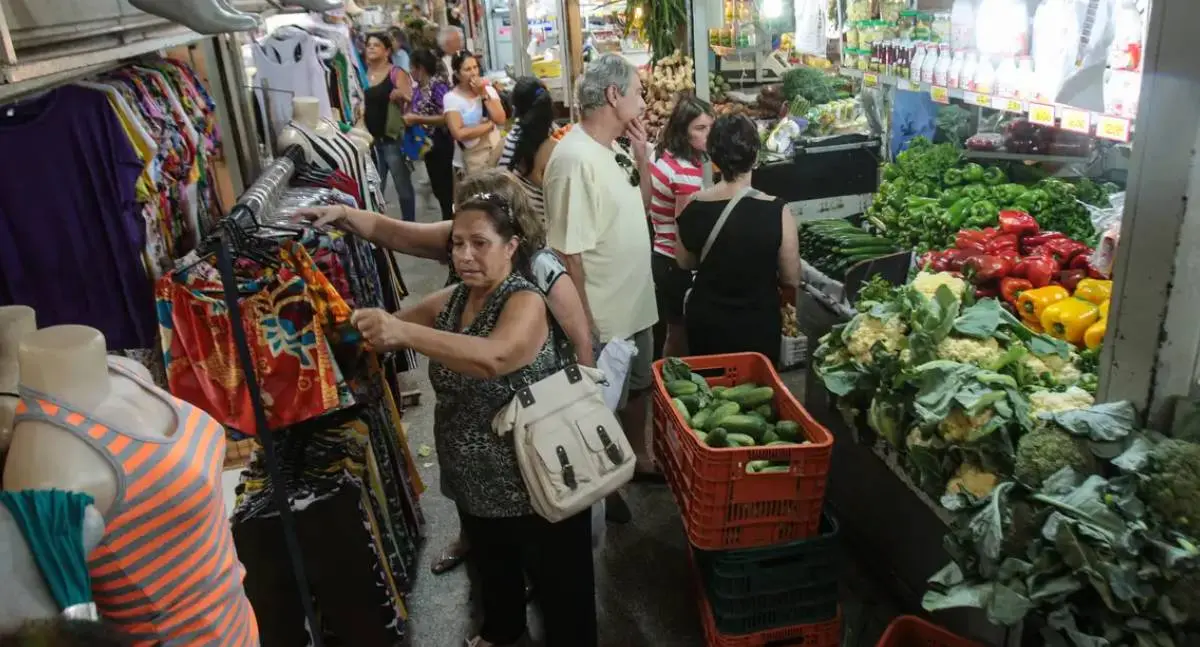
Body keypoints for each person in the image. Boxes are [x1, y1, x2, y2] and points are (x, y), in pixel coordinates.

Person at [293, 170, 597, 574]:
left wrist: (587, 412)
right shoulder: (457, 291)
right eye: (457, 240)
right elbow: (395, 233)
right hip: (477, 472)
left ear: (511, 242)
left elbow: (504, 356)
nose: (464, 251)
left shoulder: (535, 285)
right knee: (496, 559)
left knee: (555, 567)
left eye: (478, 241)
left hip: (536, 450)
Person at [543, 53, 659, 484]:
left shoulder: (615, 150)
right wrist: (584, 330)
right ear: (614, 95)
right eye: (637, 91)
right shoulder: (574, 160)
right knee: (600, 405)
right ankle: (606, 485)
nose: (644, 101)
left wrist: (643, 157)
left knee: (639, 390)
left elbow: (640, 206)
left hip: (636, 306)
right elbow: (566, 255)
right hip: (605, 319)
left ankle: (639, 460)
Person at [675, 114, 802, 364]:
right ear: (755, 157)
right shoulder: (778, 211)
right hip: (758, 325)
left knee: (711, 395)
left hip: (707, 324)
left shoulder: (693, 206)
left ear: (713, 157)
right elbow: (791, 278)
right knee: (758, 394)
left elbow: (685, 262)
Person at [649, 95, 714, 359]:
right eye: (700, 128)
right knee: (678, 334)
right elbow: (686, 231)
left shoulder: (664, 155)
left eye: (711, 127)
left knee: (671, 329)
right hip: (674, 262)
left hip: (660, 253)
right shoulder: (685, 174)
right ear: (683, 132)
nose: (708, 134)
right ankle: (669, 387)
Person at [362, 32, 416, 222]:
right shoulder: (361, 74)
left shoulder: (396, 73)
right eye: (369, 45)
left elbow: (412, 99)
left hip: (393, 139)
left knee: (403, 188)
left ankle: (410, 227)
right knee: (374, 188)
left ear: (386, 51)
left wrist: (400, 94)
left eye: (376, 45)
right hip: (369, 142)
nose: (371, 48)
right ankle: (377, 227)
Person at [495, 76, 556, 224]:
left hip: (506, 226)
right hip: (539, 230)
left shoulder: (504, 143)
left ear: (515, 108)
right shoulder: (552, 148)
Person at [407, 48, 455, 220]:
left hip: (442, 142)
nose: (410, 72)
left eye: (412, 68)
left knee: (445, 187)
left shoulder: (438, 87)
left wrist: (417, 119)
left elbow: (446, 117)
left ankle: (449, 220)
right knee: (437, 186)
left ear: (420, 68)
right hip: (428, 146)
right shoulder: (418, 89)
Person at [444, 52, 506, 178]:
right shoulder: (451, 98)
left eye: (475, 67)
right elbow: (459, 133)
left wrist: (483, 94)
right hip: (475, 156)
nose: (473, 73)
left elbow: (500, 119)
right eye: (467, 69)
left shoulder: (488, 90)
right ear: (457, 74)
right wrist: (489, 126)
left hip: (496, 148)